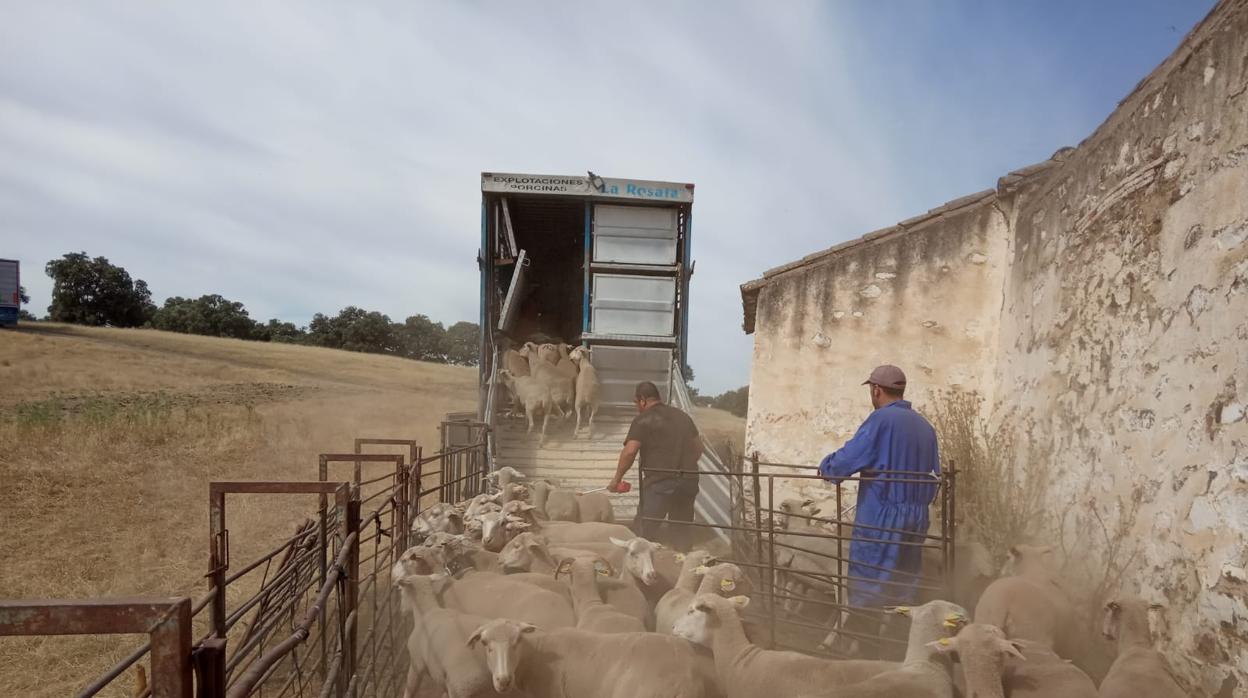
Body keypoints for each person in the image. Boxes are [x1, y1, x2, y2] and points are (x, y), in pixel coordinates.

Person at [819, 365, 940, 653]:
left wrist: (828, 467)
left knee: (868, 584)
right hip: (916, 515)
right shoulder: (925, 426)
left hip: (882, 514)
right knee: (903, 586)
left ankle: (865, 653)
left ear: (876, 390)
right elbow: (934, 475)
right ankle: (898, 652)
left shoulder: (880, 420)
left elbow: (850, 457)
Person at [607, 381, 703, 550]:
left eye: (636, 403)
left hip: (660, 482)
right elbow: (698, 449)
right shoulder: (683, 417)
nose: (637, 407)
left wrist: (617, 479)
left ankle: (638, 570)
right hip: (688, 481)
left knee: (643, 534)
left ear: (642, 400)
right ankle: (682, 563)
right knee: (681, 531)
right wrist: (683, 468)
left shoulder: (643, 420)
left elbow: (629, 452)